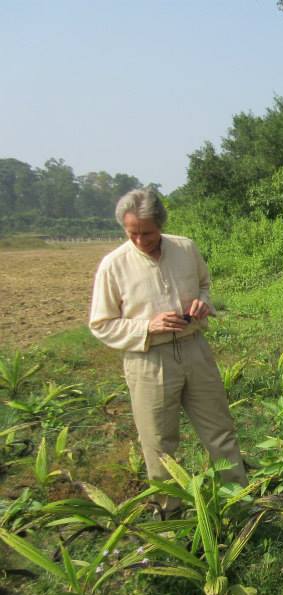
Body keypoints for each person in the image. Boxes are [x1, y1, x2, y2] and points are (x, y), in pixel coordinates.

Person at [89, 189, 246, 505]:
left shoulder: (185, 248)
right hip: (148, 360)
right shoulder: (113, 266)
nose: (139, 240)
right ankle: (170, 519)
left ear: (160, 225)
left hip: (195, 349)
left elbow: (204, 285)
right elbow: (102, 323)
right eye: (132, 233)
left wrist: (203, 303)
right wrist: (148, 326)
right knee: (159, 445)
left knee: (220, 431)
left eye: (146, 232)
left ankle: (238, 503)